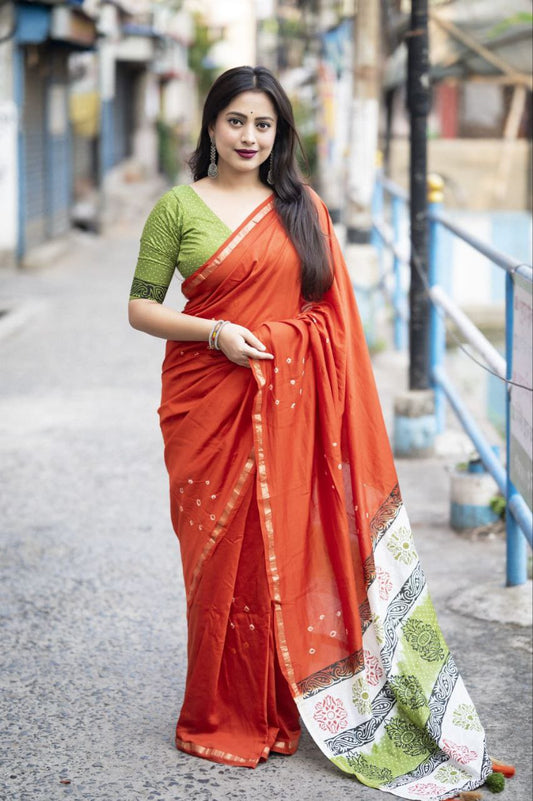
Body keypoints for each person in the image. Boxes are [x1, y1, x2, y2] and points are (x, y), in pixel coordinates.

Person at [128, 66, 491, 799]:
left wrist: (277, 339)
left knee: (274, 551)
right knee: (215, 562)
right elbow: (140, 307)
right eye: (236, 121)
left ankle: (281, 698)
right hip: (206, 406)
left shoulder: (300, 209)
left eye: (262, 124)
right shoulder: (176, 208)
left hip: (288, 409)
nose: (248, 136)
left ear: (278, 134)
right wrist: (217, 332)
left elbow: (331, 320)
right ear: (210, 126)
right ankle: (221, 707)